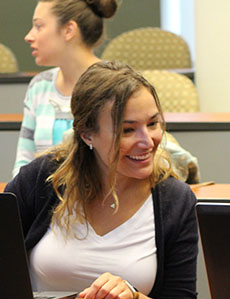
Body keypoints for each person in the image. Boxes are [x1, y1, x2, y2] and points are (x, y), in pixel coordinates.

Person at [5, 61, 198, 299]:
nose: (147, 141)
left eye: (152, 124)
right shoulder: (41, 179)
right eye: (127, 130)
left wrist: (134, 295)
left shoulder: (176, 200)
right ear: (87, 134)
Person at [13, 0, 200, 183]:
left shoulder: (117, 85)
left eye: (39, 26)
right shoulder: (39, 86)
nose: (29, 36)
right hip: (47, 203)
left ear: (69, 30)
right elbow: (24, 161)